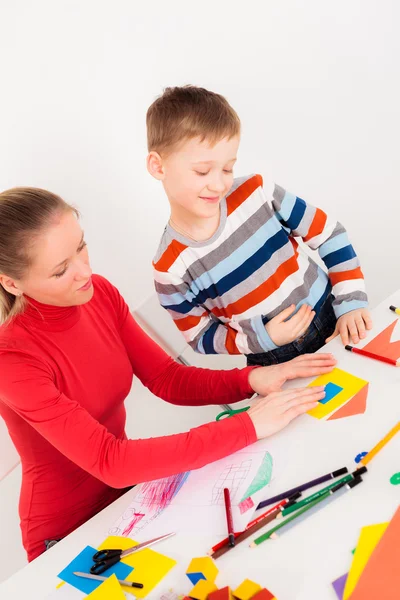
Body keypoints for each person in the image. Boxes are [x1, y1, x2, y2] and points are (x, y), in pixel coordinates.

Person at [0, 188, 335, 561]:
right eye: (61, 270)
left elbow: (166, 378)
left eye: (81, 247)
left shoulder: (99, 294)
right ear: (11, 283)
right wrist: (247, 426)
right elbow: (112, 462)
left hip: (131, 502)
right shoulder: (11, 359)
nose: (84, 271)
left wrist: (250, 380)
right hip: (66, 533)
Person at [147, 86, 373, 366]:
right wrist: (263, 338)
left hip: (335, 317)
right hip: (274, 359)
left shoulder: (257, 192)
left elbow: (330, 234)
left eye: (227, 169)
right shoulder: (169, 268)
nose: (219, 185)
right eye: (203, 171)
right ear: (158, 167)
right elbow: (200, 336)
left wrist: (351, 304)